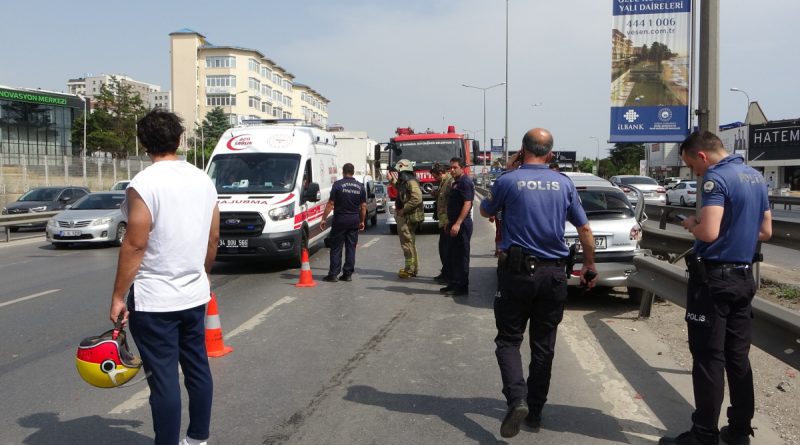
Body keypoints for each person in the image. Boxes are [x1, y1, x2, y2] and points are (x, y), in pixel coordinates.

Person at [109, 110, 220, 445]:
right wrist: (203, 276)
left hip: (155, 300)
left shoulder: (144, 184)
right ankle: (198, 439)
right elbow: (214, 237)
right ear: (180, 139)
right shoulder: (204, 179)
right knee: (198, 368)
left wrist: (117, 296)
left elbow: (136, 242)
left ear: (144, 143)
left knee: (164, 379)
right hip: (194, 294)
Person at [480, 128, 597, 439]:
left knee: (508, 340)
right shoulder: (564, 183)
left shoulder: (508, 180)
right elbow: (584, 229)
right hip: (554, 274)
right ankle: (535, 411)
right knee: (543, 346)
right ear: (550, 153)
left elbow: (485, 210)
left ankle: (516, 399)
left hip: (516, 273)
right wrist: (589, 264)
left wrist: (508, 170)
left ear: (522, 149)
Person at [660, 131, 772, 445]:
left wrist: (691, 224)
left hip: (714, 281)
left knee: (709, 357)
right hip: (743, 277)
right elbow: (766, 231)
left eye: (692, 166)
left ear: (702, 156)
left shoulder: (715, 180)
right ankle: (739, 431)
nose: (696, 173)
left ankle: (703, 434)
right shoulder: (755, 177)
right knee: (738, 357)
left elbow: (708, 232)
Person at [320, 163, 367, 282]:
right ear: (353, 171)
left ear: (343, 171)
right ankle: (347, 274)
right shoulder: (360, 187)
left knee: (336, 248)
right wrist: (362, 221)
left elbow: (330, 204)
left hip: (340, 220)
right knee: (351, 248)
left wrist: (324, 218)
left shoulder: (338, 185)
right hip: (353, 221)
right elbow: (363, 207)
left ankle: (333, 274)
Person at [441, 157, 474, 297]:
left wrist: (458, 223)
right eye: (451, 168)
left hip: (462, 225)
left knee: (461, 256)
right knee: (453, 255)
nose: (452, 170)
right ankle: (454, 282)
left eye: (455, 167)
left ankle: (462, 286)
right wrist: (450, 222)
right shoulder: (456, 183)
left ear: (462, 168)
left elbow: (467, 204)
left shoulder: (465, 182)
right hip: (453, 223)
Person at [393, 159, 423, 278]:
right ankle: (411, 268)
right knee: (409, 243)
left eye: (399, 172)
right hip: (405, 217)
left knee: (407, 243)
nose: (398, 174)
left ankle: (410, 269)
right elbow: (399, 188)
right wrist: (391, 179)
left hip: (406, 217)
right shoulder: (406, 182)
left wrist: (403, 209)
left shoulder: (411, 182)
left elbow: (417, 198)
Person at [430, 163, 453, 285]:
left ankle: (449, 274)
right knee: (443, 249)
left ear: (440, 173)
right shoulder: (443, 182)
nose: (435, 179)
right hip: (442, 220)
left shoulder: (450, 182)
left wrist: (448, 222)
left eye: (435, 177)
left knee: (446, 250)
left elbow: (450, 202)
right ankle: (445, 272)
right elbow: (443, 197)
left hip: (447, 221)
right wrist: (436, 194)